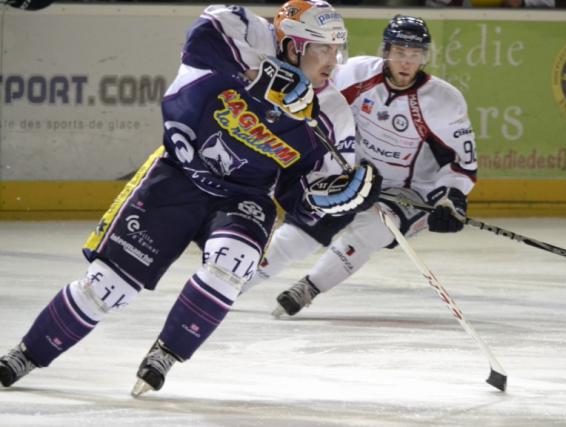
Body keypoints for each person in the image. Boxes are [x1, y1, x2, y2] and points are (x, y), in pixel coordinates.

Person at [0, 1, 381, 396]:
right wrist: (259, 77)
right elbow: (203, 36)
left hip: (243, 198)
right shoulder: (247, 31)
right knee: (108, 287)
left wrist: (325, 199)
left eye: (337, 49)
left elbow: (300, 192)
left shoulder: (332, 112)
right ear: (293, 46)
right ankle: (28, 352)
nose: (334, 60)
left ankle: (168, 351)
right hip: (178, 176)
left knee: (233, 264)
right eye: (324, 48)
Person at [242, 15, 478, 317]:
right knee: (296, 236)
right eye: (400, 53)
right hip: (355, 178)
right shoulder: (354, 74)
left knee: (374, 229)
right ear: (386, 51)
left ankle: (309, 287)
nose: (407, 62)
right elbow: (314, 100)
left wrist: (452, 197)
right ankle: (229, 288)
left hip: (408, 191)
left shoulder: (444, 101)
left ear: (424, 56)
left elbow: (460, 162)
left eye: (415, 54)